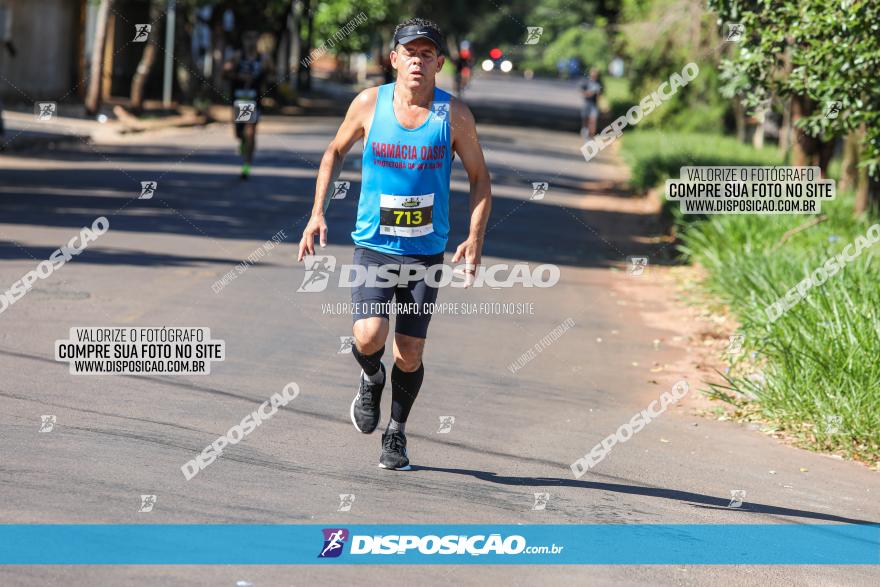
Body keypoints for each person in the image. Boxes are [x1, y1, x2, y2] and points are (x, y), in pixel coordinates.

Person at [297, 17, 492, 471]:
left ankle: (396, 433)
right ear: (394, 59)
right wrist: (316, 212)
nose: (418, 61)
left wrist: (474, 238)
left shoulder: (455, 115)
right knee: (369, 336)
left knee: (410, 351)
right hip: (374, 245)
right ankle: (370, 377)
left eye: (427, 54)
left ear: (440, 62)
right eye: (410, 53)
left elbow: (481, 179)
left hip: (425, 251)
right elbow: (333, 151)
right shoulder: (370, 104)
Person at [224, 31, 271, 179]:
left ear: (257, 40)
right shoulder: (237, 57)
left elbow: (273, 74)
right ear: (243, 40)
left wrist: (265, 76)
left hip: (254, 100)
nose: (250, 42)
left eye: (253, 38)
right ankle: (243, 142)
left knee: (250, 131)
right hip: (239, 99)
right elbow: (223, 74)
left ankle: (246, 165)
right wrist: (236, 75)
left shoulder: (263, 58)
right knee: (239, 133)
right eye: (247, 38)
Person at [580, 67, 602, 140]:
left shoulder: (598, 83)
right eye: (593, 74)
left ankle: (591, 135)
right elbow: (582, 91)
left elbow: (600, 95)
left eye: (595, 75)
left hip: (594, 104)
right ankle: (584, 130)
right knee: (586, 118)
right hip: (587, 103)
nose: (594, 76)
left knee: (593, 119)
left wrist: (598, 95)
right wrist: (590, 93)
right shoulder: (586, 82)